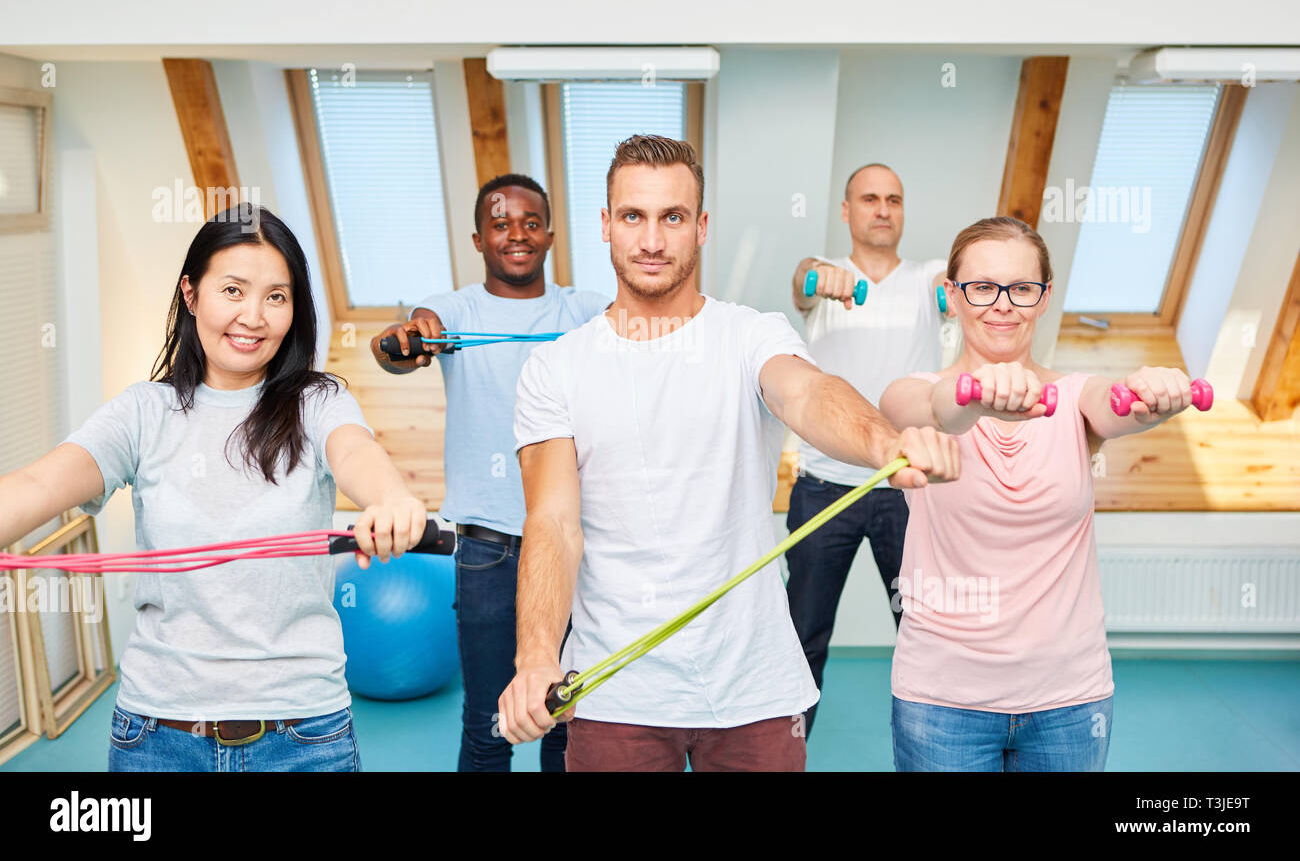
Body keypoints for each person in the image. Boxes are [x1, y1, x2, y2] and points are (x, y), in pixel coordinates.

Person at [496, 135, 960, 772]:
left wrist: (885, 441)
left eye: (673, 217)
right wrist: (536, 656)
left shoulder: (751, 333)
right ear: (606, 225)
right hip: (617, 690)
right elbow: (551, 522)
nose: (653, 240)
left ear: (702, 227)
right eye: (633, 216)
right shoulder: (554, 368)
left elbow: (809, 392)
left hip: (755, 688)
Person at [0, 204, 426, 772]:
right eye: (233, 290)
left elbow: (356, 451)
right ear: (190, 294)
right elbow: (39, 481)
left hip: (304, 734)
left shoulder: (318, 402)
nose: (253, 316)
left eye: (277, 296)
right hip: (157, 736)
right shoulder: (142, 412)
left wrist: (391, 498)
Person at [878, 216, 1200, 771]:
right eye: (981, 287)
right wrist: (976, 395)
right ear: (952, 295)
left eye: (1022, 288)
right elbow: (937, 412)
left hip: (1070, 700)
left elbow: (1115, 402)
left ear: (1044, 296)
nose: (1002, 304)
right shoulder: (912, 392)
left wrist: (1152, 393)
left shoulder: (1075, 397)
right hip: (941, 699)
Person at [370, 173, 607, 772]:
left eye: (531, 223)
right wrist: (407, 340)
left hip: (570, 547)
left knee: (564, 722)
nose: (517, 235)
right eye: (501, 225)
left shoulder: (582, 310)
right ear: (479, 239)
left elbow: (638, 330)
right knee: (487, 727)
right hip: (487, 553)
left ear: (550, 235)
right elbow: (401, 341)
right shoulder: (452, 313)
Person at [787, 162, 951, 736]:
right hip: (822, 487)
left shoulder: (932, 276)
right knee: (802, 634)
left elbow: (953, 292)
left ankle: (939, 747)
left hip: (904, 490)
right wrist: (813, 275)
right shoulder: (826, 277)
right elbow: (802, 282)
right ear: (846, 211)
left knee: (923, 631)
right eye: (870, 198)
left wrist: (961, 293)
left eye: (894, 200)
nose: (883, 209)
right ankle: (787, 750)